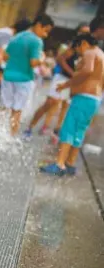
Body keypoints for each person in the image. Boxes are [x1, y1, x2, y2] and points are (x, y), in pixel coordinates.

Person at [40, 34, 103, 176]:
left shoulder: (90, 52)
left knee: (68, 129)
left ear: (84, 43)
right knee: (79, 131)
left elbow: (87, 71)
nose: (78, 53)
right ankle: (69, 164)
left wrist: (67, 84)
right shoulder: (102, 55)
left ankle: (59, 164)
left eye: (77, 48)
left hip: (83, 98)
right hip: (94, 99)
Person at [24, 23, 90, 139]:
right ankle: (30, 127)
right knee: (50, 103)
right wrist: (72, 72)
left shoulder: (90, 48)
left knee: (65, 107)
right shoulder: (74, 45)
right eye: (82, 32)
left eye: (86, 33)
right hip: (62, 78)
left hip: (74, 82)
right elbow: (60, 59)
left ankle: (56, 131)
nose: (84, 34)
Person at [0, 14, 54, 135]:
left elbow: (5, 56)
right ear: (39, 25)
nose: (46, 35)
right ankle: (10, 138)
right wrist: (42, 58)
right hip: (24, 79)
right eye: (45, 31)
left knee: (4, 108)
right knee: (17, 110)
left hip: (8, 76)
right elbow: (33, 63)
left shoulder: (17, 36)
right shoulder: (37, 41)